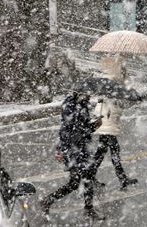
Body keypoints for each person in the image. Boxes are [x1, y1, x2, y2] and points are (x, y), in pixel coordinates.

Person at [40, 91, 104, 220]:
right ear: (79, 93)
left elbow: (81, 128)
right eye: (87, 93)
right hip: (73, 150)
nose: (90, 95)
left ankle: (88, 208)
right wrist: (93, 127)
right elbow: (73, 130)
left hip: (81, 148)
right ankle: (48, 201)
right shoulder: (71, 105)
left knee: (86, 178)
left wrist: (94, 125)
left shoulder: (82, 105)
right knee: (77, 182)